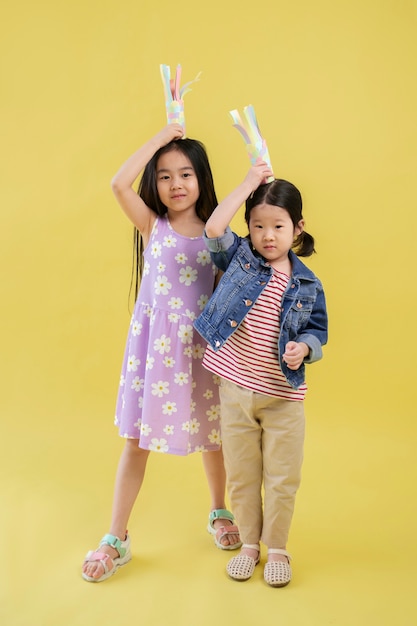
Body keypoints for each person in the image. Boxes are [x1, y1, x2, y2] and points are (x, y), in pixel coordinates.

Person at [82, 124, 241, 583]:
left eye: (185, 174)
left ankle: (219, 510)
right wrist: (162, 136)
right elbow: (117, 183)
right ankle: (116, 537)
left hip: (205, 352)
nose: (176, 185)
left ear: (201, 179)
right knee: (135, 442)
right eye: (165, 175)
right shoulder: (153, 225)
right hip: (155, 356)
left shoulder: (218, 233)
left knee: (216, 439)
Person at [194, 160, 328, 587]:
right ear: (249, 229)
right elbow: (214, 229)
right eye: (257, 226)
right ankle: (250, 544)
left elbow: (318, 331)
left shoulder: (307, 285)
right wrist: (250, 183)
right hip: (235, 393)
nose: (267, 236)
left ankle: (278, 548)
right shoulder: (241, 261)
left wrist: (304, 347)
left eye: (278, 226)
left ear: (298, 228)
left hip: (283, 400)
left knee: (283, 478)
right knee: (244, 476)